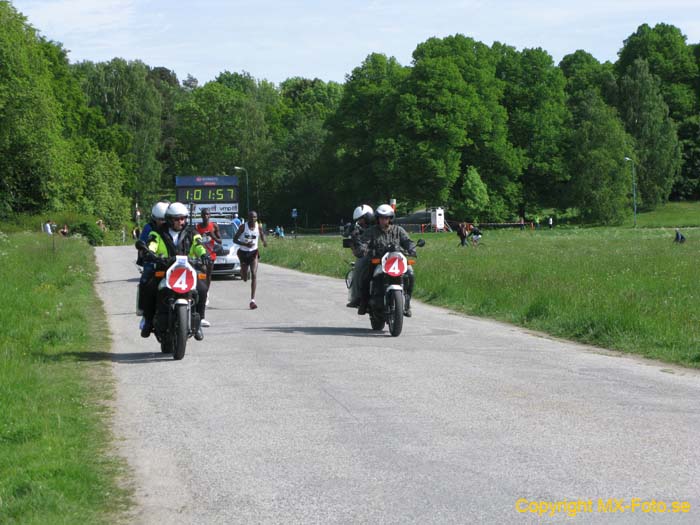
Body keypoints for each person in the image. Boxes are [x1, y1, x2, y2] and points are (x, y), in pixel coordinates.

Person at [138, 202, 209, 339]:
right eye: (176, 219)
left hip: (187, 269)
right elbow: (152, 243)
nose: (180, 221)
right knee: (148, 287)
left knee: (202, 288)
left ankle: (199, 322)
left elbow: (199, 245)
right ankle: (147, 320)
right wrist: (149, 252)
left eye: (182, 218)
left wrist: (203, 255)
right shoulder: (158, 232)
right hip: (164, 269)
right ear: (170, 219)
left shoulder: (191, 232)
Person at [357, 204, 417, 317]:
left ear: (390, 218)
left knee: (410, 273)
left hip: (397, 261)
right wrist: (363, 248)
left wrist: (411, 249)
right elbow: (364, 242)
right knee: (365, 276)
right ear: (377, 218)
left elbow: (408, 241)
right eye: (381, 217)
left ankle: (407, 303)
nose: (383, 220)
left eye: (386, 217)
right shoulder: (371, 231)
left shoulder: (398, 230)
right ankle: (364, 303)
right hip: (379, 261)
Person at [234, 210, 268, 309]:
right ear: (248, 218)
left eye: (255, 217)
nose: (253, 219)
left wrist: (264, 241)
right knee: (245, 278)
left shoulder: (259, 226)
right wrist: (245, 244)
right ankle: (243, 271)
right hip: (243, 253)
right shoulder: (243, 227)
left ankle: (252, 301)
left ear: (256, 218)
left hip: (254, 252)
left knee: (254, 273)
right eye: (251, 217)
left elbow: (261, 235)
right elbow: (235, 239)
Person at [344, 204, 374, 309]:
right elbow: (349, 235)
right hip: (366, 254)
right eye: (359, 219)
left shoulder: (380, 223)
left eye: (361, 219)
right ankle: (356, 297)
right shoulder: (358, 228)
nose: (360, 221)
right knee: (358, 267)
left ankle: (405, 300)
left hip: (383, 252)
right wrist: (349, 231)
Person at [195, 208, 222, 300]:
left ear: (210, 215)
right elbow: (194, 240)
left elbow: (220, 241)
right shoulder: (197, 227)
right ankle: (202, 292)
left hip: (211, 253)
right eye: (204, 214)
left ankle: (206, 292)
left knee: (209, 274)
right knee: (203, 270)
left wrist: (212, 236)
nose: (206, 216)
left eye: (207, 214)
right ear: (201, 216)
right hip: (201, 253)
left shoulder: (214, 226)